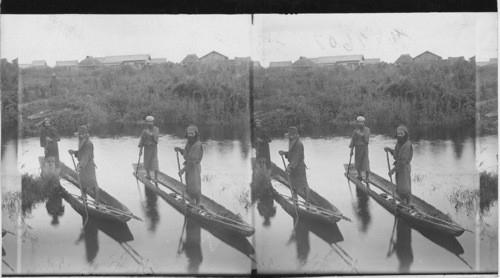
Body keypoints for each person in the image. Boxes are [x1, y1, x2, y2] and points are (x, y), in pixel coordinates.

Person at [278, 126, 310, 205]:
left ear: (294, 135)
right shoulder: (293, 142)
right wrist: (284, 153)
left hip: (299, 167)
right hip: (294, 166)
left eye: (289, 135)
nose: (288, 137)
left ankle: (307, 201)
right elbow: (291, 154)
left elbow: (295, 158)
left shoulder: (298, 144)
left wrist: (290, 167)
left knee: (304, 184)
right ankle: (295, 198)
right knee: (293, 184)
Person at [69, 126, 100, 203]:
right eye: (79, 134)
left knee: (93, 183)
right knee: (83, 181)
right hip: (83, 165)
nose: (81, 136)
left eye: (83, 134)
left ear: (86, 134)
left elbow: (85, 156)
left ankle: (96, 200)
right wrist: (74, 152)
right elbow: (81, 152)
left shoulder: (88, 143)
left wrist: (80, 166)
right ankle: (84, 196)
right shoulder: (83, 142)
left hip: (89, 166)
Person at [174, 126, 203, 205]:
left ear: (196, 134)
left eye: (192, 133)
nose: (190, 135)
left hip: (194, 167)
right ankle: (192, 201)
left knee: (195, 187)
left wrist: (183, 170)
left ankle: (198, 203)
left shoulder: (197, 144)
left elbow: (192, 160)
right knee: (190, 186)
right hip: (189, 167)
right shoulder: (189, 142)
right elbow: (187, 154)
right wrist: (179, 149)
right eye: (189, 133)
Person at [385, 125, 413, 205]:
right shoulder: (399, 143)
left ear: (405, 134)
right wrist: (389, 149)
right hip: (399, 167)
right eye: (398, 134)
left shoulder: (407, 145)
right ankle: (402, 201)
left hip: (404, 168)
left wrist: (393, 170)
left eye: (401, 134)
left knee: (405, 187)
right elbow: (397, 154)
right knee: (399, 186)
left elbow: (402, 161)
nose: (399, 135)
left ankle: (408, 203)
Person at [349, 116, 371, 183]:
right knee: (357, 162)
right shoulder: (355, 131)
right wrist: (351, 151)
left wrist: (359, 133)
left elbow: (366, 139)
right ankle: (359, 175)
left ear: (364, 123)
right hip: (357, 149)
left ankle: (367, 178)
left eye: (362, 122)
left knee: (365, 162)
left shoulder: (367, 129)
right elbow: (353, 141)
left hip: (364, 149)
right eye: (359, 122)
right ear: (357, 123)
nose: (360, 124)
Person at [138, 116, 159, 181]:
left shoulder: (156, 129)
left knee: (154, 162)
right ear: (146, 122)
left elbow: (156, 140)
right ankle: (148, 174)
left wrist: (149, 134)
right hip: (146, 148)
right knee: (146, 162)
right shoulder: (144, 131)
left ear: (153, 122)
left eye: (151, 122)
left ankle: (156, 177)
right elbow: (142, 140)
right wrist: (140, 150)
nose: (149, 123)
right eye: (148, 122)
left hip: (153, 149)